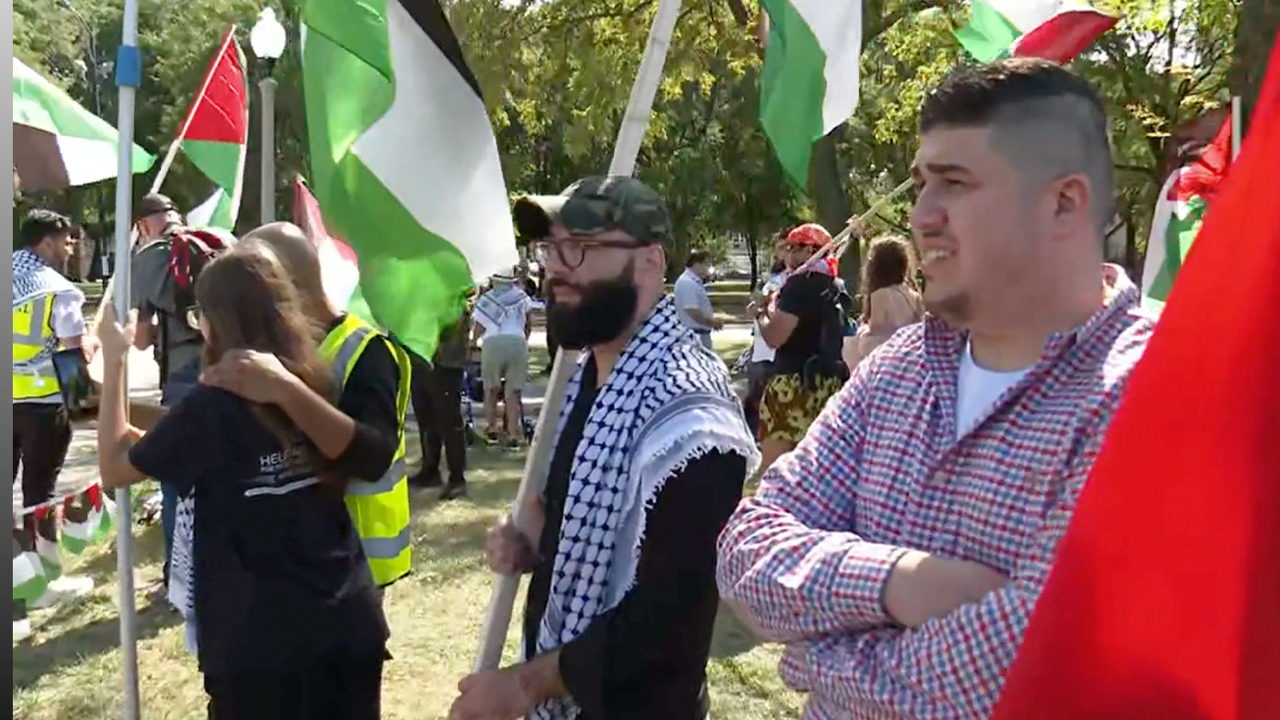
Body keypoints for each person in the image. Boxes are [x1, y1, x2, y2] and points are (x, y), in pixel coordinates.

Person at [716, 58, 1155, 719]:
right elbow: (745, 556)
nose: (920, 218)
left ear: (1063, 201)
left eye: (953, 184)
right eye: (922, 185)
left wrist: (817, 662)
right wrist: (903, 583)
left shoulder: (1150, 391)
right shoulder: (900, 371)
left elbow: (1032, 665)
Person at [448, 176, 758, 720]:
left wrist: (523, 687)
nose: (556, 268)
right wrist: (536, 543)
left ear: (650, 261)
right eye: (550, 248)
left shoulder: (691, 418)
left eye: (580, 248)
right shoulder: (589, 376)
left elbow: (669, 620)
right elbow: (597, 542)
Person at [95, 249, 389, 719]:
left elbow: (113, 467)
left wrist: (113, 363)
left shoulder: (210, 408)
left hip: (258, 645)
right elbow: (168, 439)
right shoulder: (315, 384)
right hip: (344, 624)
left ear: (215, 322)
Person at [200, 223, 413, 595]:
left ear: (285, 283)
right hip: (302, 564)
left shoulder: (366, 352)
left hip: (354, 570)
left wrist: (287, 390)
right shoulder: (286, 353)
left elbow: (374, 456)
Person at [12, 209, 96, 640]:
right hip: (42, 405)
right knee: (38, 496)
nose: (70, 249)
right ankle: (41, 583)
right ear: (46, 242)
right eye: (65, 241)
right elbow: (71, 353)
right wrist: (91, 349)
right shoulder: (57, 290)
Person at [129, 193, 208, 599]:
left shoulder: (150, 256)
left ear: (143, 225)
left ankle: (175, 578)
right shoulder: (214, 240)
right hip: (227, 365)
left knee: (177, 476)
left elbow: (142, 339)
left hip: (181, 373)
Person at [752, 222, 848, 472]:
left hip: (792, 387)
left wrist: (759, 315)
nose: (790, 254)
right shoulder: (834, 284)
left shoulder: (799, 284)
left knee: (776, 471)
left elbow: (775, 337)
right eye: (788, 247)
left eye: (798, 247)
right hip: (827, 387)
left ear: (813, 250)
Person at [409, 299, 471, 500]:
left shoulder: (456, 299)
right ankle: (430, 469)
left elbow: (449, 329)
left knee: (449, 421)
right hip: (423, 360)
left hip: (446, 363)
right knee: (426, 418)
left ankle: (457, 477)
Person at [471, 271, 535, 447]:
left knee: (491, 388)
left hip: (493, 342)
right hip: (517, 341)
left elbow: (479, 325)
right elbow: (529, 323)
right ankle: (513, 435)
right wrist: (523, 339)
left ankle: (492, 429)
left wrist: (473, 343)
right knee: (513, 392)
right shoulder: (522, 297)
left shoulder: (487, 299)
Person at [847, 234, 925, 367]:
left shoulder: (880, 295)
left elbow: (875, 334)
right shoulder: (914, 295)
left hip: (887, 358)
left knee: (852, 344)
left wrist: (862, 332)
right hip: (911, 356)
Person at [743, 237, 788, 435]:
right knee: (755, 399)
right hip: (761, 348)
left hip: (775, 350)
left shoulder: (793, 280)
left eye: (787, 248)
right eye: (779, 248)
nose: (782, 253)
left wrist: (762, 311)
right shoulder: (772, 278)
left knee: (766, 398)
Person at [673, 249, 722, 348]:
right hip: (694, 336)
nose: (707, 268)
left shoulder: (694, 282)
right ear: (696, 264)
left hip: (700, 334)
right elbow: (692, 311)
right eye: (706, 264)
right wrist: (712, 323)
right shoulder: (687, 282)